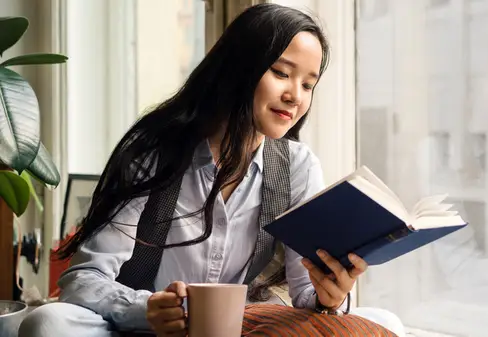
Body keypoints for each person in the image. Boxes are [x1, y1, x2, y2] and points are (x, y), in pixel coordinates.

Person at [18, 3, 404, 337]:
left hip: (244, 327)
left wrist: (330, 295)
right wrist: (147, 309)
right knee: (49, 323)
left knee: (385, 321)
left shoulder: (298, 167)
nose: (295, 95)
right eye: (282, 73)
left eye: (308, 83)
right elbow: (83, 279)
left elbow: (305, 295)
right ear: (239, 68)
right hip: (146, 328)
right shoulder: (154, 153)